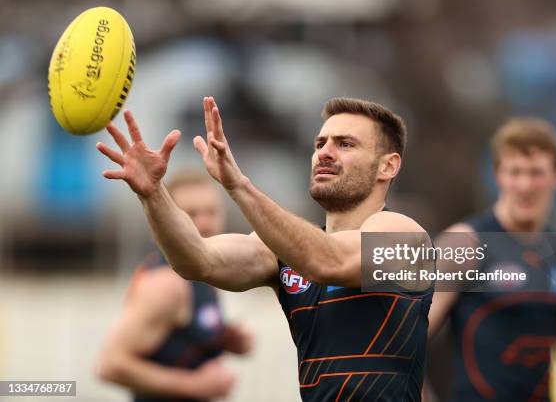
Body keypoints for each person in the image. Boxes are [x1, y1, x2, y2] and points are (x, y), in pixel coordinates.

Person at [96, 96, 433, 401]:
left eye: (345, 144)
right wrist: (153, 194)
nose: (324, 152)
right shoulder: (284, 252)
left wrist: (238, 185)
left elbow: (330, 261)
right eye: (320, 143)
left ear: (388, 166)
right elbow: (198, 260)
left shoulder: (403, 235)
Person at [427, 117, 556, 402]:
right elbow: (408, 344)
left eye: (536, 172)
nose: (525, 184)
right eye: (515, 172)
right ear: (498, 175)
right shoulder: (464, 243)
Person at [97, 170, 253, 402]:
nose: (205, 222)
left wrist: (227, 340)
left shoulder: (203, 269)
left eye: (211, 212)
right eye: (191, 213)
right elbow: (110, 365)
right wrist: (195, 386)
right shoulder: (166, 285)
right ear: (168, 218)